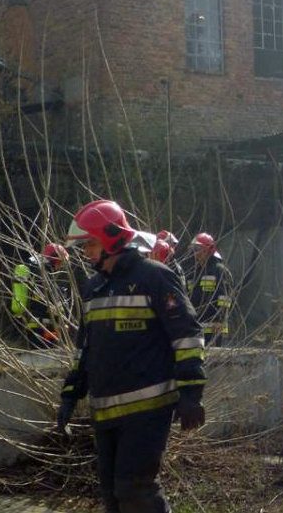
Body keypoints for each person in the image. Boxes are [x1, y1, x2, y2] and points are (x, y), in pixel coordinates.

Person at [56, 199, 206, 513]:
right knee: (112, 496)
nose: (87, 253)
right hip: (105, 412)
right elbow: (85, 348)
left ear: (111, 238)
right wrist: (71, 394)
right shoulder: (94, 287)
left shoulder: (155, 276)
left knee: (136, 491)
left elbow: (187, 334)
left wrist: (192, 392)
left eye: (91, 244)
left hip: (147, 410)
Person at [11, 242, 71, 348]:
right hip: (44, 328)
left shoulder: (34, 271)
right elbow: (51, 303)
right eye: (60, 262)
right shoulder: (42, 276)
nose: (60, 266)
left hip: (35, 326)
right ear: (54, 260)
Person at [188, 232, 233, 347]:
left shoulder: (219, 271)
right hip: (197, 327)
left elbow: (225, 298)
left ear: (210, 249)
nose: (195, 253)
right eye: (193, 249)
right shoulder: (193, 272)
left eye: (198, 249)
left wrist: (220, 319)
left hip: (214, 328)